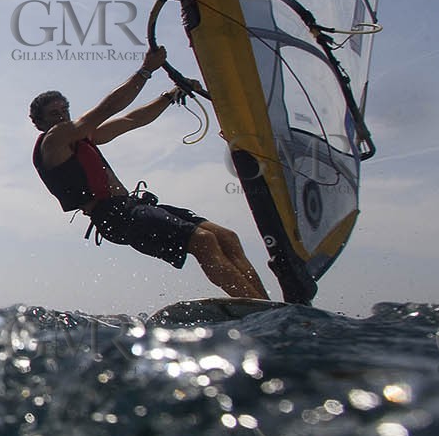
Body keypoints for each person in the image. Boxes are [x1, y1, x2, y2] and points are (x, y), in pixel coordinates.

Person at [30, 47, 269, 299]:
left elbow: (133, 120)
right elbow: (106, 109)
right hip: (114, 216)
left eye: (64, 111)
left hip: (131, 206)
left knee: (226, 237)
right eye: (54, 114)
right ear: (40, 123)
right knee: (204, 241)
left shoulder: (82, 138)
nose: (61, 117)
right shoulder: (53, 141)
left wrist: (170, 95)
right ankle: (255, 306)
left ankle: (267, 305)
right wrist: (146, 71)